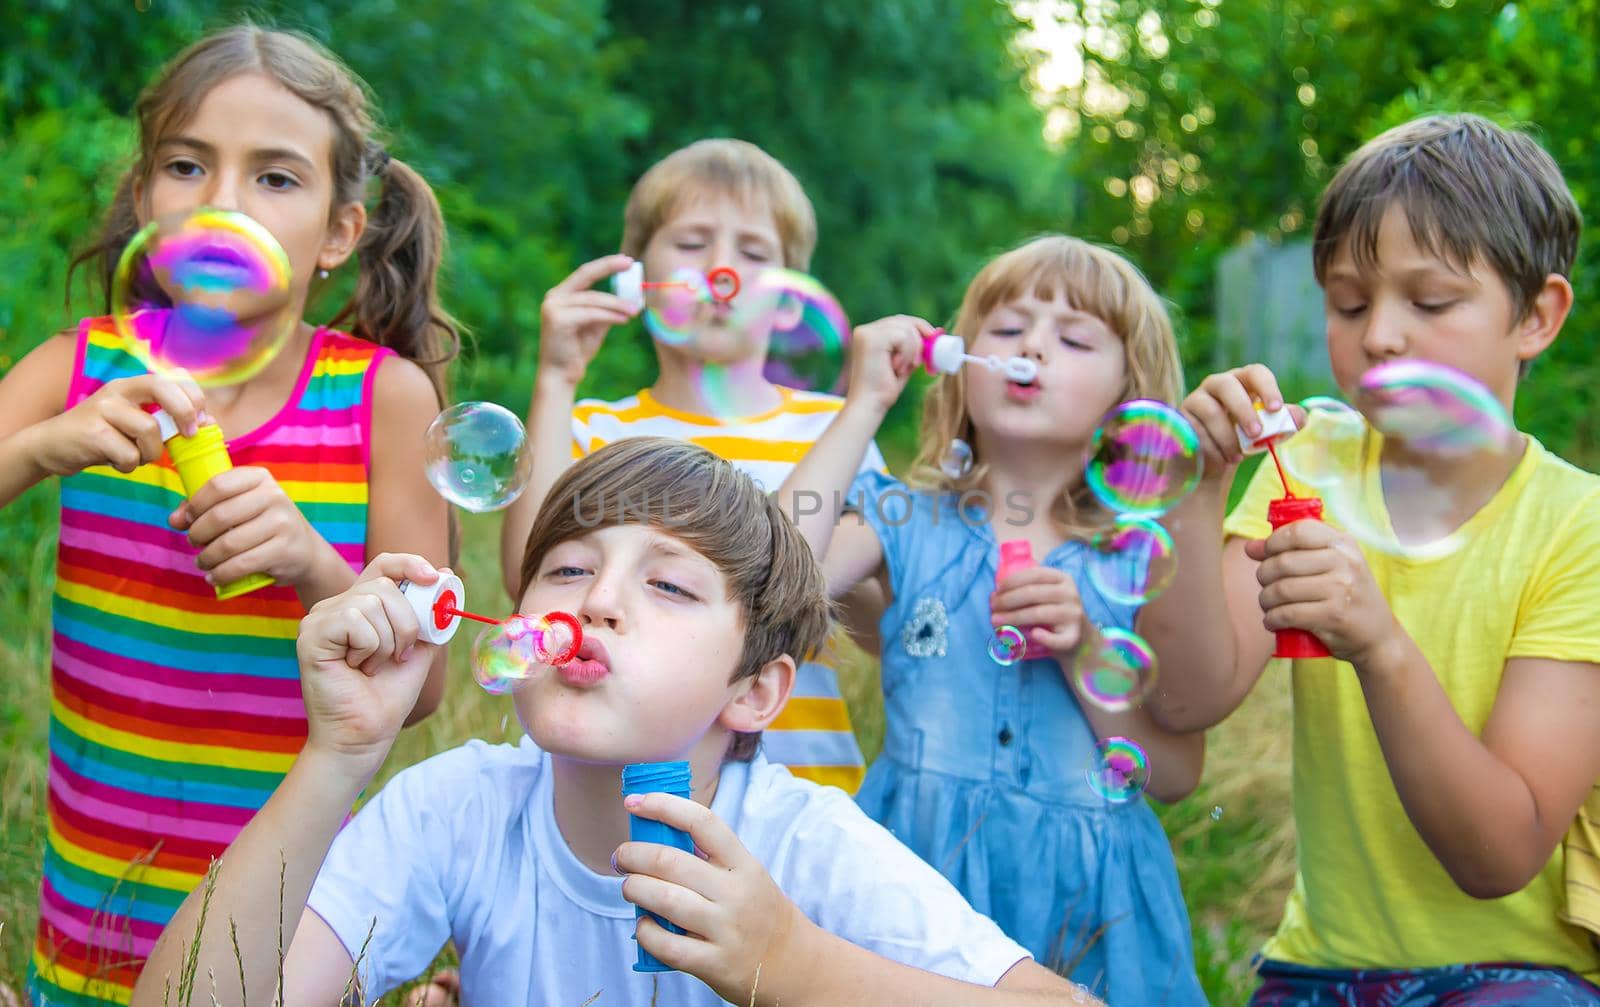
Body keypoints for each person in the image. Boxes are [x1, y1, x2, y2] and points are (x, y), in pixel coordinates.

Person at [129, 437, 1103, 1007]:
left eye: (668, 583)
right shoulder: (459, 807)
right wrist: (337, 754)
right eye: (567, 567)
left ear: (754, 689)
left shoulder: (797, 844)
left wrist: (794, 961)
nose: (596, 600)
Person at [0, 25, 454, 1005]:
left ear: (340, 230)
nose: (221, 203)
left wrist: (311, 565)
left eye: (275, 177)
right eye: (185, 164)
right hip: (92, 911)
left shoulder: (384, 400)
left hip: (284, 928)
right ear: (144, 198)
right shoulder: (80, 367)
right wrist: (43, 447)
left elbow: (422, 686)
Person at [1142, 113, 1600, 1003]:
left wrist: (1379, 645)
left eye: (1429, 302)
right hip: (1323, 965)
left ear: (1536, 317)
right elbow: (1187, 695)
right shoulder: (1305, 463)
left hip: (1520, 977)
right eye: (1350, 303)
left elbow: (1499, 852)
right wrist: (1197, 491)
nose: (1379, 335)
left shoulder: (1578, 527)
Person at [775, 235, 1208, 1004]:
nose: (1032, 347)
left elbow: (1174, 776)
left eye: (1073, 338)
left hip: (1093, 906)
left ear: (1128, 393)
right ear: (962, 364)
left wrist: (1084, 650)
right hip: (916, 880)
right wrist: (865, 401)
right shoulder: (902, 516)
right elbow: (774, 574)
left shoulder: (1140, 559)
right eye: (1007, 330)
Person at [499, 138, 883, 792]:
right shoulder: (596, 429)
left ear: (790, 300)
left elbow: (877, 630)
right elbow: (523, 578)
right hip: (623, 788)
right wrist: (557, 378)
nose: (720, 269)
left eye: (754, 253)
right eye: (692, 242)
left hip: (798, 785)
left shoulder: (835, 431)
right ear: (636, 277)